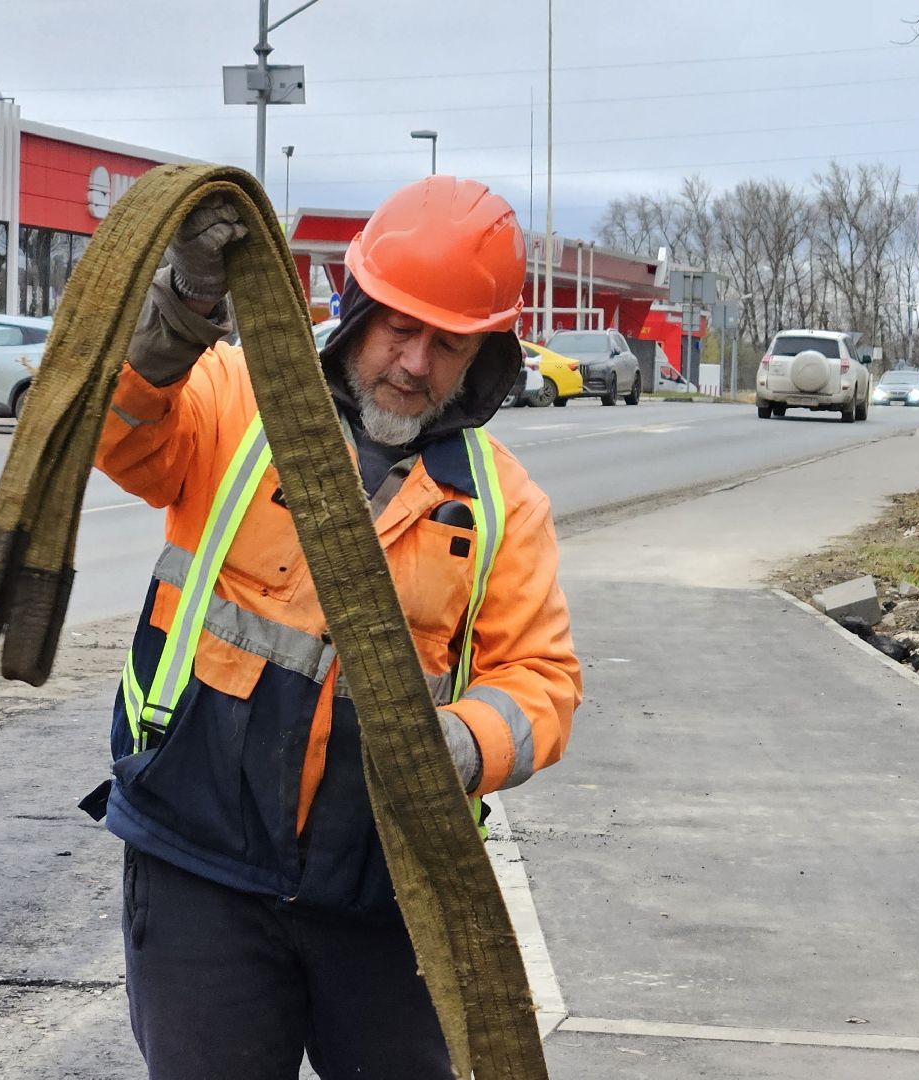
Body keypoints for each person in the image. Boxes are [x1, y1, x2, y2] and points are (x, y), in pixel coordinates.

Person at [82, 175, 581, 1079]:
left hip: (391, 895)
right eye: (400, 326)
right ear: (355, 307)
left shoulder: (503, 503)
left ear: (486, 354)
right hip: (201, 862)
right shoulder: (236, 400)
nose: (415, 363)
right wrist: (188, 300)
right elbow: (119, 434)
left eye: (448, 342)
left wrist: (463, 744)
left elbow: (541, 680)